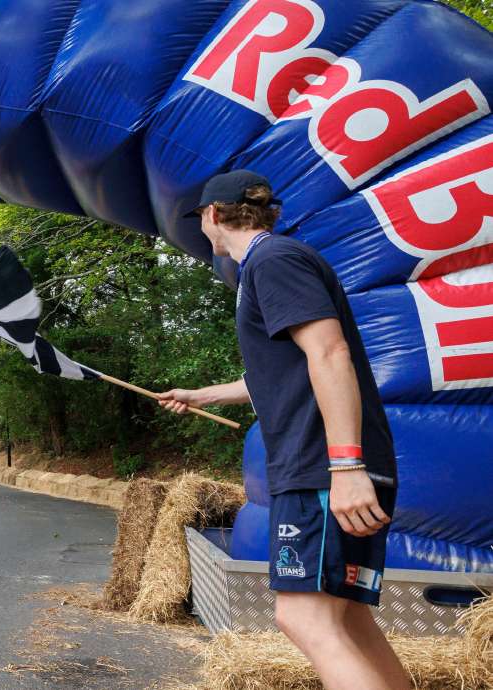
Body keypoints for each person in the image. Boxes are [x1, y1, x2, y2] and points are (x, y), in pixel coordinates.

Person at [157, 170, 406, 690]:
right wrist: (199, 395)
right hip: (330, 467)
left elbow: (329, 353)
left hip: (323, 469)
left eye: (201, 221)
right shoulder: (273, 264)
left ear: (214, 215)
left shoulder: (273, 261)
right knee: (347, 620)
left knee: (304, 618)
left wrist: (346, 465)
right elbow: (280, 373)